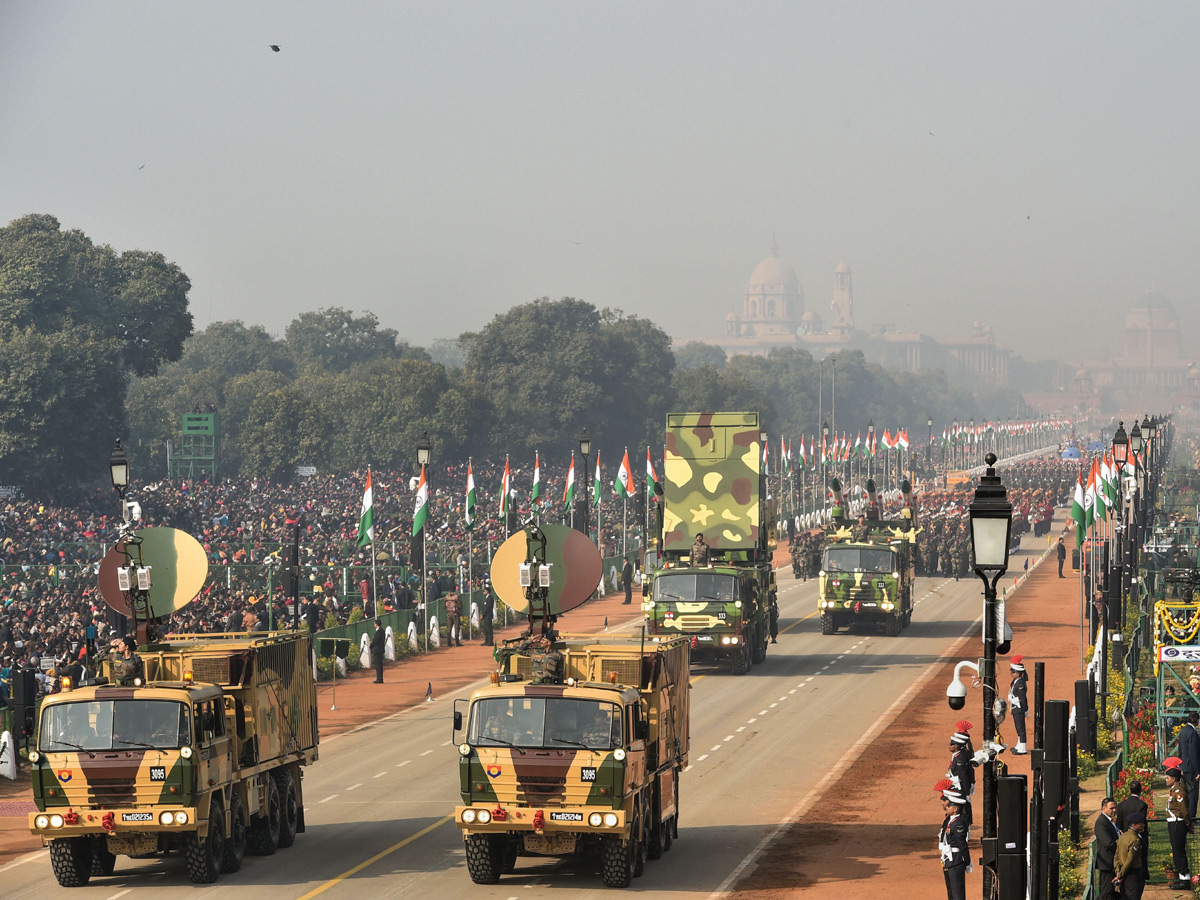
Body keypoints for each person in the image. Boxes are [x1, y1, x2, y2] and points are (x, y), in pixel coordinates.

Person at [1116, 782, 1149, 893]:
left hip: (1124, 838)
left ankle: (1122, 876)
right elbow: (1143, 824)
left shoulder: (1121, 805)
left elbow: (1119, 823)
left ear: (1129, 790)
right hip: (1137, 838)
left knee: (1124, 859)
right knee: (1137, 860)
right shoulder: (1142, 805)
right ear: (1140, 791)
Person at [938, 787, 970, 900]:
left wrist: (967, 861)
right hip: (949, 860)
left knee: (958, 894)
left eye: (948, 806)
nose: (946, 807)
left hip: (956, 860)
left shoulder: (958, 824)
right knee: (951, 892)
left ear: (955, 809)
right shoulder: (951, 821)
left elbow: (962, 844)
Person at [1166, 767, 1195, 888]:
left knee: (1179, 851)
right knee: (1176, 851)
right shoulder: (1174, 790)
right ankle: (1182, 878)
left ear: (1173, 779)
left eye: (1167, 778)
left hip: (1178, 824)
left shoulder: (1179, 792)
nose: (1165, 780)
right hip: (1174, 823)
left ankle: (1185, 879)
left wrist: (1189, 825)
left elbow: (1184, 811)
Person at [947, 721, 975, 833]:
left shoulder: (960, 758)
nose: (950, 746)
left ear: (958, 745)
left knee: (962, 810)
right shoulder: (961, 754)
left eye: (952, 744)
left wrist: (967, 791)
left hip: (961, 787)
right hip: (960, 786)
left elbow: (963, 776)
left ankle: (965, 833)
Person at [1093, 796, 1120, 900]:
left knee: (1111, 891)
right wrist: (1120, 849)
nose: (1114, 810)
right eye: (1111, 808)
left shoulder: (1110, 821)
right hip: (1107, 863)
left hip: (1111, 862)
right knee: (1106, 891)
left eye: (1115, 808)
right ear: (1103, 808)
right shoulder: (1101, 822)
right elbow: (1108, 843)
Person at [1115, 813, 1146, 899]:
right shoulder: (1135, 839)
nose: (1143, 825)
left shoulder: (1122, 837)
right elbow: (1130, 860)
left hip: (1123, 871)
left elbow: (1116, 855)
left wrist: (1118, 871)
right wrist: (1121, 875)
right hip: (1132, 874)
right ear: (1134, 825)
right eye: (1141, 823)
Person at [1180, 712, 1200, 819]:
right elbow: (1194, 754)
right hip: (1192, 768)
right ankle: (1191, 815)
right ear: (1197, 721)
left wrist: (1181, 764)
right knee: (1193, 792)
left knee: (1186, 791)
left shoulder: (1183, 731)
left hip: (1184, 766)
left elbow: (1181, 750)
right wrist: (1198, 771)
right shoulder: (1193, 733)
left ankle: (1185, 813)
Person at [1008, 656, 1029, 755]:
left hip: (1019, 708)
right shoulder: (1016, 682)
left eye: (1013, 672)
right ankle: (1019, 745)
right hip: (1015, 707)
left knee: (1021, 728)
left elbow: (1023, 698)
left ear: (1018, 673)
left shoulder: (1020, 683)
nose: (1011, 673)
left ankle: (1023, 748)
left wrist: (1025, 709)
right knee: (1018, 728)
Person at [480, 579, 495, 647]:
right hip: (485, 615)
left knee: (489, 629)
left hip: (488, 615)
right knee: (485, 629)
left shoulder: (490, 598)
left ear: (488, 591)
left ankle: (490, 641)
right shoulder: (486, 598)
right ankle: (486, 641)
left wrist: (483, 614)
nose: (483, 592)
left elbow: (487, 608)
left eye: (484, 591)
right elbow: (484, 607)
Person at [370, 619, 385, 683]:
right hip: (380, 649)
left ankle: (379, 678)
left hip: (377, 650)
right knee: (379, 665)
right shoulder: (382, 631)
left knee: (378, 665)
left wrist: (371, 646)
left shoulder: (378, 632)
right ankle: (380, 678)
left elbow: (375, 641)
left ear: (376, 624)